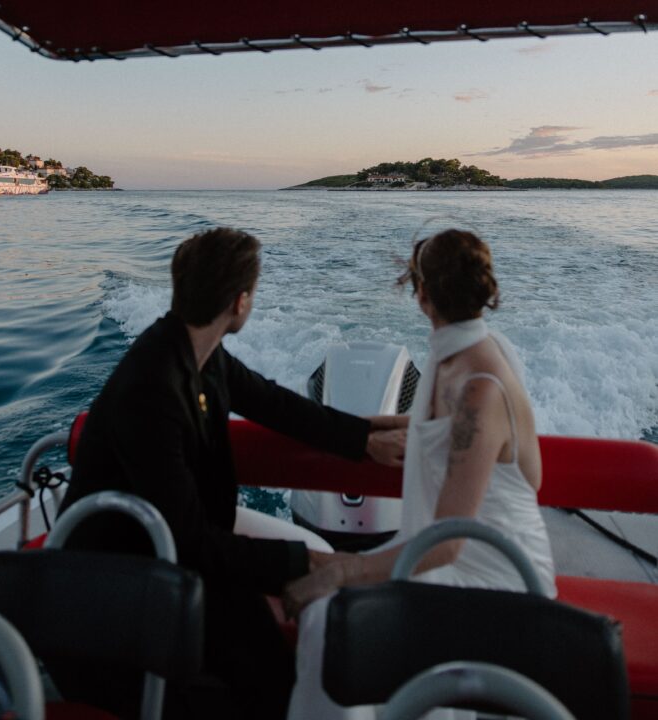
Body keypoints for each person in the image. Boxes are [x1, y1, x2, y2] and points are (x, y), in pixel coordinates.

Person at [57, 227, 407, 719]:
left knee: (273, 653)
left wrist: (366, 437)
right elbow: (190, 540)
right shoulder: (153, 386)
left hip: (169, 553)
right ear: (241, 303)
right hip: (118, 586)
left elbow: (275, 404)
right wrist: (305, 563)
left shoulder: (198, 351)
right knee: (263, 672)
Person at [284, 228, 556, 720]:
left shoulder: (481, 387)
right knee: (328, 623)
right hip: (450, 559)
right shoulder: (451, 356)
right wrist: (338, 428)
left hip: (496, 576)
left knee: (328, 620)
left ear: (422, 294)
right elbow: (431, 427)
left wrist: (342, 570)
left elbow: (446, 543)